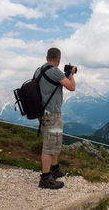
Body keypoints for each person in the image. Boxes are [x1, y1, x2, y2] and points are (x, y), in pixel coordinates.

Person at [35, 47, 76, 189]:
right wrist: (71, 74)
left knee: (55, 141)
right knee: (49, 145)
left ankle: (55, 169)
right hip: (51, 113)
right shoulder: (55, 71)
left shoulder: (39, 70)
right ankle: (45, 179)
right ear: (59, 59)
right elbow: (71, 87)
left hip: (41, 112)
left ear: (47, 57)